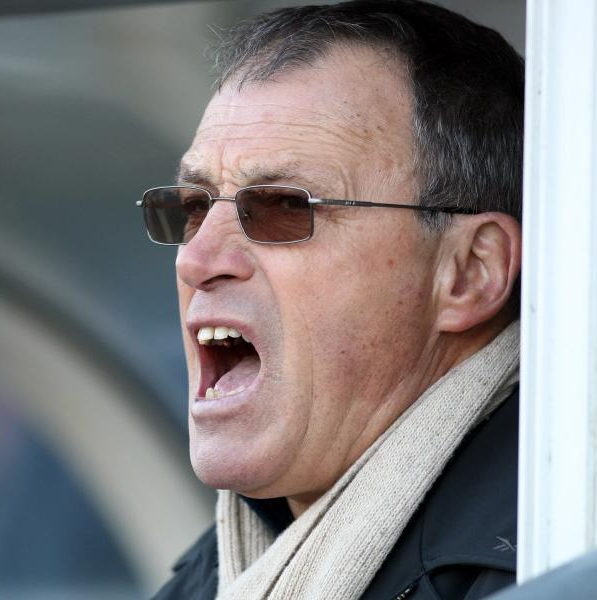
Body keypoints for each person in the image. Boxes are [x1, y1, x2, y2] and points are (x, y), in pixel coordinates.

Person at [138, 1, 524, 598]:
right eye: (193, 206)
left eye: (285, 206)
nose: (195, 259)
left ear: (470, 272)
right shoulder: (222, 571)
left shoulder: (557, 559)